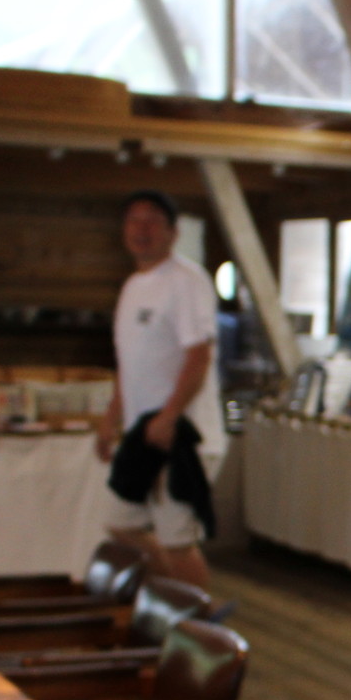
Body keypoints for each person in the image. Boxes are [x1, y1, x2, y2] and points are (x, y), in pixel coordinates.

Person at [96, 189, 225, 588]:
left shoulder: (186, 281)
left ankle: (197, 619)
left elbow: (198, 356)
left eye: (152, 221)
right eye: (134, 221)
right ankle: (174, 600)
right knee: (120, 524)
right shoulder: (133, 286)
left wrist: (170, 416)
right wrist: (111, 419)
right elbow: (130, 364)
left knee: (177, 540)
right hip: (141, 435)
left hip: (182, 433)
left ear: (173, 232)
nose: (142, 229)